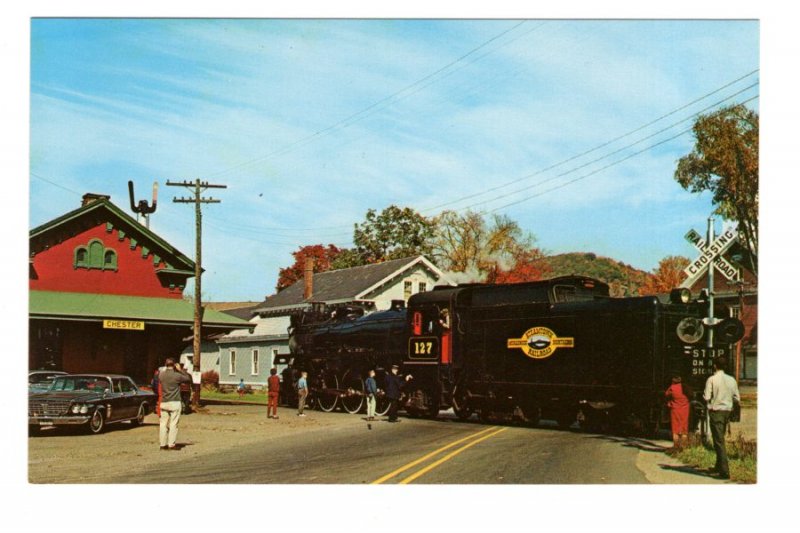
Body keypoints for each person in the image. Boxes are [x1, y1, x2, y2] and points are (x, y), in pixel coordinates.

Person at [703, 356, 740, 480]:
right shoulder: (732, 380)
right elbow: (737, 398)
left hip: (716, 412)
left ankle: (724, 471)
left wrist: (709, 404)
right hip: (727, 413)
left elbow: (707, 397)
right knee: (720, 438)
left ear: (715, 366)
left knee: (719, 442)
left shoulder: (712, 379)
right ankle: (718, 466)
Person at [158, 358, 193, 451]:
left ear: (165, 364)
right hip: (175, 401)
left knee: (163, 424)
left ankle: (162, 444)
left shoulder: (161, 375)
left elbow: (159, 377)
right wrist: (181, 370)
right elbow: (188, 379)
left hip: (164, 401)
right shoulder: (177, 376)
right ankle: (171, 444)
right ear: (174, 365)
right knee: (173, 424)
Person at [665, 375, 691, 454]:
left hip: (675, 410)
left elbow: (666, 394)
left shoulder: (672, 388)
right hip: (685, 410)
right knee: (684, 430)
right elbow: (691, 395)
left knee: (675, 430)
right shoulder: (686, 388)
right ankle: (684, 449)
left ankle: (676, 448)